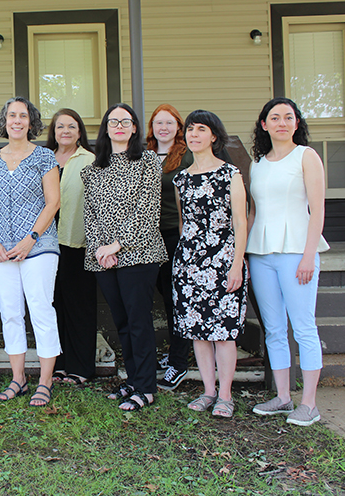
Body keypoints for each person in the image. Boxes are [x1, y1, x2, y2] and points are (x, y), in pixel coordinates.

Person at [247, 97, 329, 427]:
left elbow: (318, 210)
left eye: (288, 117)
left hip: (297, 251)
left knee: (303, 326)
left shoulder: (306, 156)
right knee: (275, 329)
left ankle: (308, 403)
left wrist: (309, 255)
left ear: (296, 123)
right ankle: (283, 397)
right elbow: (253, 213)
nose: (282, 122)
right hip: (262, 254)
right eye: (274, 117)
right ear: (264, 125)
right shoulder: (257, 164)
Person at [82, 103, 167, 412]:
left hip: (139, 253)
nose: (119, 125)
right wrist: (99, 249)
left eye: (125, 121)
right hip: (103, 258)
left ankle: (146, 387)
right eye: (113, 121)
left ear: (134, 129)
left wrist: (116, 245)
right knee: (122, 322)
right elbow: (90, 215)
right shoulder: (92, 170)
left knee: (139, 321)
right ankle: (133, 379)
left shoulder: (147, 162)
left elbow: (147, 211)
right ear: (106, 128)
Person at [0, 97, 61, 407]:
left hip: (38, 248)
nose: (17, 120)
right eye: (12, 115)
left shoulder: (43, 156)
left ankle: (45, 380)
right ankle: (18, 378)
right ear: (5, 121)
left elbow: (52, 202)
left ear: (31, 122)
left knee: (41, 308)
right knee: (10, 313)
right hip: (0, 251)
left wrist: (31, 239)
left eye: (23, 116)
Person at [172, 110, 248, 418]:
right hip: (189, 263)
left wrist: (237, 265)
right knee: (199, 332)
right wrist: (186, 261)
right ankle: (208, 391)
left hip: (223, 261)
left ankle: (225, 396)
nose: (194, 135)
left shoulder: (231, 174)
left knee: (223, 333)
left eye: (201, 129)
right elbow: (182, 223)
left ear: (213, 136)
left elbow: (241, 223)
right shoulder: (181, 178)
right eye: (190, 129)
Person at [45, 109, 96, 386]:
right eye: (60, 126)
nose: (65, 131)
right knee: (54, 305)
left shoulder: (90, 160)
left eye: (72, 126)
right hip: (45, 243)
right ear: (53, 131)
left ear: (79, 132)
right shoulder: (42, 159)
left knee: (79, 306)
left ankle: (81, 367)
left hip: (78, 242)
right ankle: (59, 364)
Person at [145, 104, 194, 391]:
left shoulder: (186, 156)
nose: (163, 128)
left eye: (169, 123)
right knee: (163, 296)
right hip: (149, 235)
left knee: (176, 299)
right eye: (158, 123)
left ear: (179, 126)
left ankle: (178, 362)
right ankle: (173, 354)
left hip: (177, 234)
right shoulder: (145, 156)